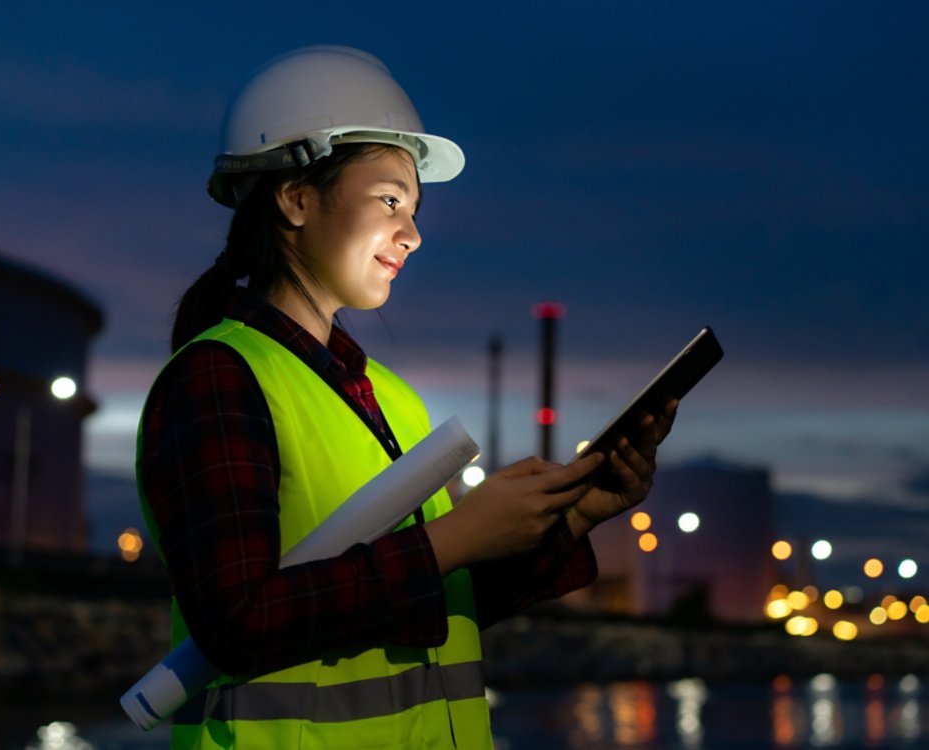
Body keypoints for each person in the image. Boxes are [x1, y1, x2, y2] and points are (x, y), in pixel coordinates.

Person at [136, 46, 677, 750]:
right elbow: (237, 622)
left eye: (415, 209)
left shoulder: (392, 400)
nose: (413, 235)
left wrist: (574, 518)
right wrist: (455, 536)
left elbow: (436, 604)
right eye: (391, 200)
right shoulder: (218, 378)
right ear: (296, 197)